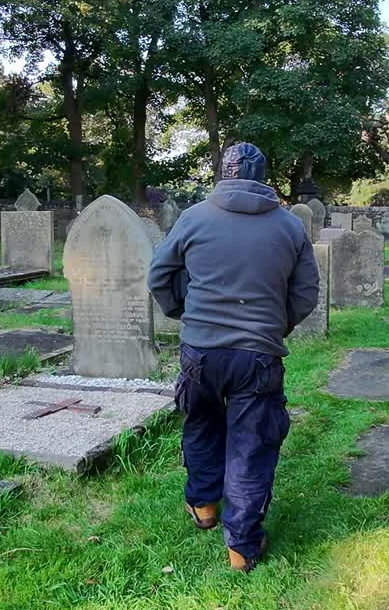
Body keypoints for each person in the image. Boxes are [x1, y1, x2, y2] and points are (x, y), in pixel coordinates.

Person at [147, 142, 320, 572]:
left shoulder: (193, 218)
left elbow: (160, 275)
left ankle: (204, 507)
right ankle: (241, 546)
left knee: (202, 423)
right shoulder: (289, 226)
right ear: (264, 177)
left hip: (200, 352)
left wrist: (183, 312)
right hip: (257, 356)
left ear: (223, 172)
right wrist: (277, 326)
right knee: (251, 444)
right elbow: (305, 294)